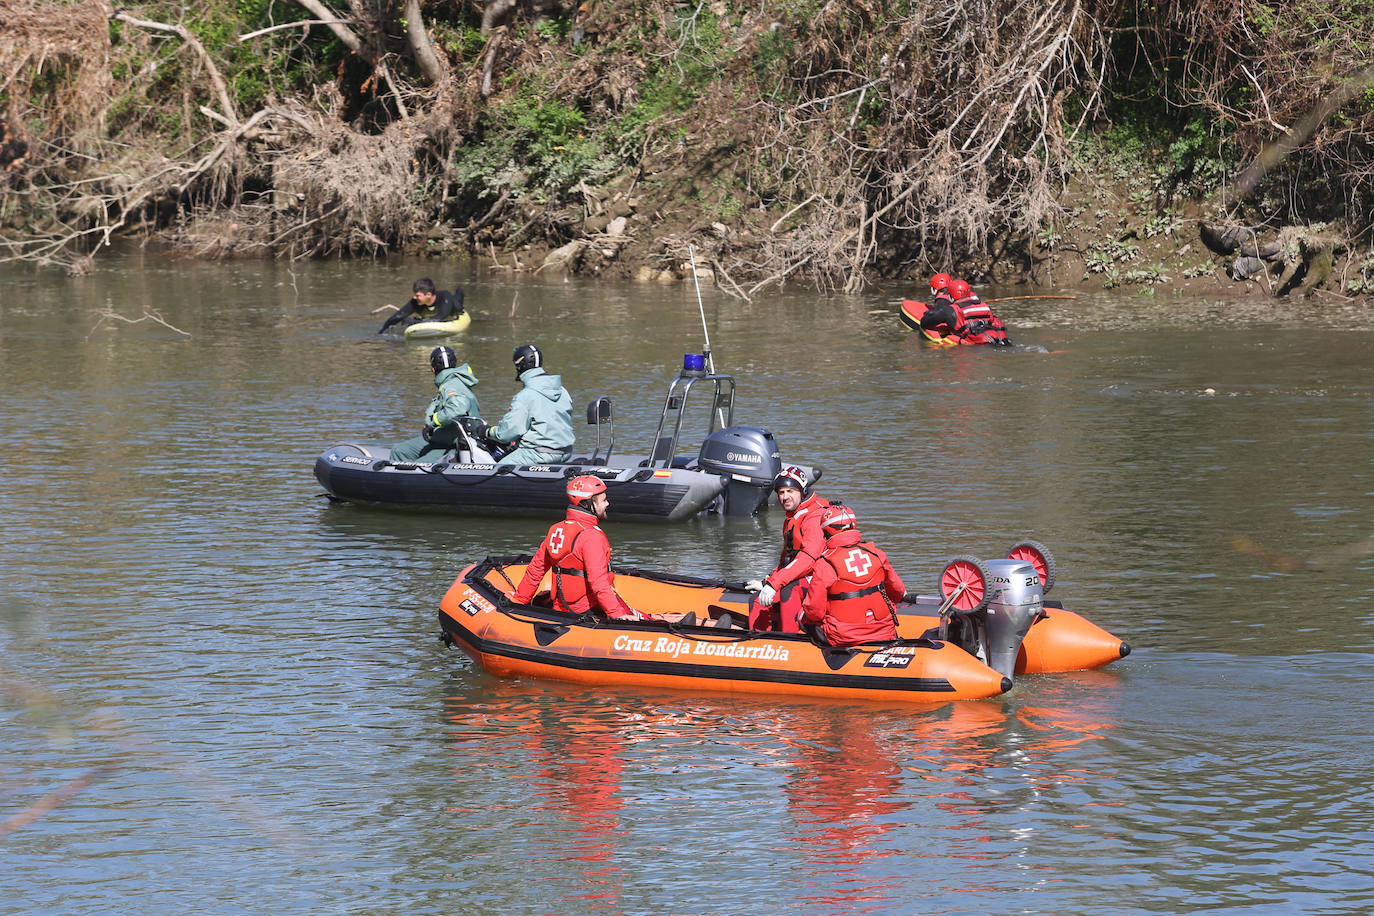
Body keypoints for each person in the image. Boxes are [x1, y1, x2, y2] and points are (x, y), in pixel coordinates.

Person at [511, 475, 648, 620]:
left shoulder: (556, 530)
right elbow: (598, 582)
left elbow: (535, 570)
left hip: (561, 608)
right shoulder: (592, 536)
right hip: (588, 609)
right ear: (588, 504)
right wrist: (617, 614)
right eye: (603, 500)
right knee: (647, 620)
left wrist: (519, 602)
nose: (607, 504)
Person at [800, 505, 905, 646]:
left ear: (826, 531)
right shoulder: (877, 554)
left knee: (802, 616)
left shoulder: (824, 563)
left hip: (845, 637)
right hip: (884, 631)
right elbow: (898, 592)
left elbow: (814, 611)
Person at [749, 465, 831, 632]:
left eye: (790, 491)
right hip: (804, 575)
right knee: (757, 600)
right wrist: (768, 581)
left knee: (789, 591)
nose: (785, 497)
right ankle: (758, 645)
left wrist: (775, 584)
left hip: (822, 576)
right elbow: (789, 558)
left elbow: (808, 558)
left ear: (802, 491)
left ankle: (788, 642)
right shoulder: (794, 516)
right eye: (781, 492)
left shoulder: (813, 517)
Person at [472, 344, 575, 466]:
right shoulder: (562, 390)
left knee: (496, 470)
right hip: (565, 452)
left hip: (538, 454)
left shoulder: (525, 396)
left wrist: (487, 431)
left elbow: (506, 433)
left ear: (520, 366)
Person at [389, 346, 481, 462]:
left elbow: (457, 409)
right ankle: (397, 477)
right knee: (399, 451)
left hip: (456, 445)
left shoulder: (452, 385)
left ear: (432, 369)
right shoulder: (450, 382)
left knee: (420, 465)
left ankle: (414, 478)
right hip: (442, 438)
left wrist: (433, 422)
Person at [377, 277, 465, 334]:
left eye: (418, 295)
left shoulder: (445, 296)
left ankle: (459, 290)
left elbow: (441, 317)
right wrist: (382, 331)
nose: (414, 297)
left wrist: (414, 322)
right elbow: (398, 315)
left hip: (453, 307)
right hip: (431, 315)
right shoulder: (415, 302)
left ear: (429, 295)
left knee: (458, 302)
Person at [947, 279, 1011, 345]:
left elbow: (936, 318)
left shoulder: (953, 309)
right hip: (999, 337)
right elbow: (992, 319)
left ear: (951, 296)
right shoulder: (983, 305)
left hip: (982, 342)